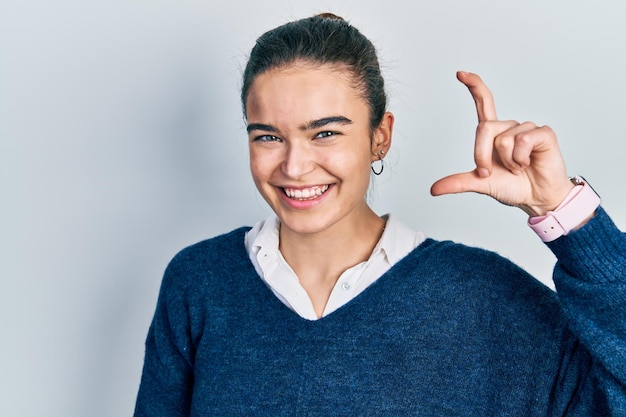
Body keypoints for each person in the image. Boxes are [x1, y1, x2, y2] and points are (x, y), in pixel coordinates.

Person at [133, 13, 625, 416]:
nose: (295, 165)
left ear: (379, 136)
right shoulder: (199, 282)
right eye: (268, 135)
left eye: (325, 133)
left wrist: (564, 212)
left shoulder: (481, 295)